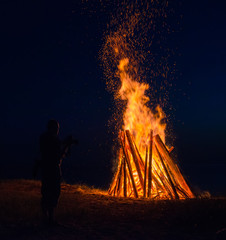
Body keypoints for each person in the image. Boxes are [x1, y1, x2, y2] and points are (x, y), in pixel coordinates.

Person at [34, 119, 77, 225]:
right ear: (52, 128)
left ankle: (46, 217)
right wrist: (67, 145)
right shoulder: (52, 139)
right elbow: (60, 153)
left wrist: (66, 144)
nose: (58, 130)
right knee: (53, 192)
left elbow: (58, 149)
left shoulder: (44, 137)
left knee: (46, 192)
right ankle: (50, 218)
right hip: (53, 168)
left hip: (46, 168)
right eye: (56, 128)